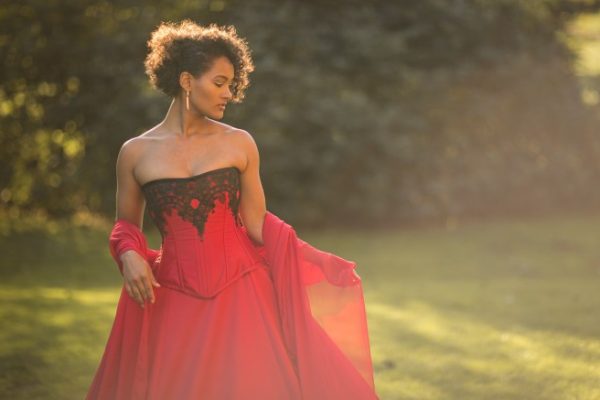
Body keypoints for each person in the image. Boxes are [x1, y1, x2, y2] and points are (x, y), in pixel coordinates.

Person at [86, 20, 379, 400]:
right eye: (220, 83)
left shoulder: (239, 144)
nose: (229, 94)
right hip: (173, 298)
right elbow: (125, 225)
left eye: (232, 84)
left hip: (244, 294)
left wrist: (316, 258)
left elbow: (257, 223)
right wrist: (128, 252)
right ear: (187, 80)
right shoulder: (135, 153)